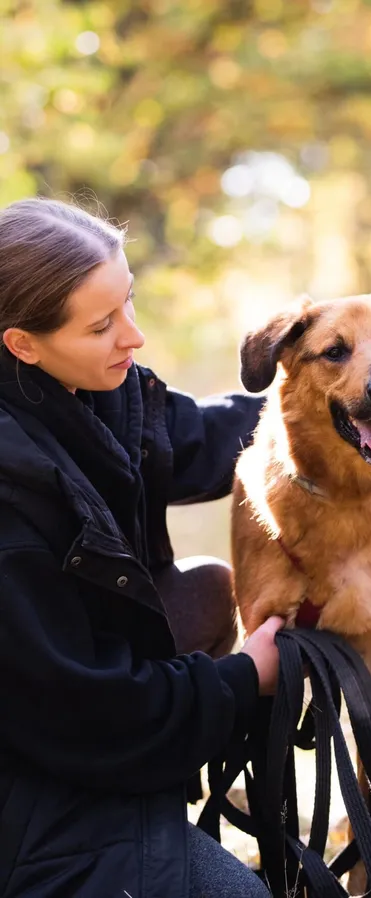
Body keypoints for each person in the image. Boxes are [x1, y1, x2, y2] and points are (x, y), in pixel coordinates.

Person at [0, 197, 283, 898]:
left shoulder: (85, 388)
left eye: (127, 303)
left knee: (206, 586)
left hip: (78, 718)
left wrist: (346, 407)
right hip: (31, 791)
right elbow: (84, 706)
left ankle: (155, 803)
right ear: (22, 343)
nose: (135, 336)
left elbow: (202, 437)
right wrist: (247, 678)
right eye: (102, 325)